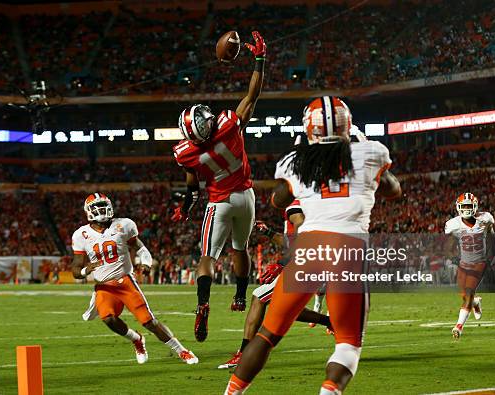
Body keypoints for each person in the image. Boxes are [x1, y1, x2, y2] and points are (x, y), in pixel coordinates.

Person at [225, 96, 401, 395]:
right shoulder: (370, 151)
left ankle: (231, 393)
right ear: (348, 124)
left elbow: (278, 199)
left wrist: (307, 162)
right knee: (348, 345)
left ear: (310, 128)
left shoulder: (296, 160)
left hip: (308, 249)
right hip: (346, 248)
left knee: (268, 334)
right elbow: (393, 190)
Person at [171, 31, 266, 342]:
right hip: (245, 196)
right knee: (241, 249)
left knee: (207, 258)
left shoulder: (187, 153)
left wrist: (184, 209)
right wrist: (260, 60)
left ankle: (202, 305)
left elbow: (192, 189)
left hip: (219, 202)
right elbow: (251, 97)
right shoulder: (227, 125)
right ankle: (240, 295)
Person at [72, 193, 198, 365]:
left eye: (104, 205)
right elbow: (75, 270)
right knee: (108, 318)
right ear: (88, 211)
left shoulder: (123, 224)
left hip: (125, 281)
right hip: (104, 287)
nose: (102, 210)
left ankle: (182, 350)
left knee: (149, 322)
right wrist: (87, 269)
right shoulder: (81, 235)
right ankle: (136, 339)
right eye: (97, 207)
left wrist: (146, 263)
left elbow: (141, 248)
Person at [218, 202, 333, 369]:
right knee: (285, 306)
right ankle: (331, 322)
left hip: (307, 262)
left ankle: (244, 354)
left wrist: (282, 263)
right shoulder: (309, 203)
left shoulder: (295, 205)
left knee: (260, 296)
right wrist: (268, 232)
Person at [444, 193, 495, 338]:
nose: (467, 209)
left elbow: (492, 237)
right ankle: (475, 302)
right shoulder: (453, 224)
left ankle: (458, 326)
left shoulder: (485, 218)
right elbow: (448, 247)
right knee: (464, 295)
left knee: (468, 293)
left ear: (475, 206)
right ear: (458, 207)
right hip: (463, 263)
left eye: (469, 206)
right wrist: (452, 258)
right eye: (464, 206)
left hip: (479, 262)